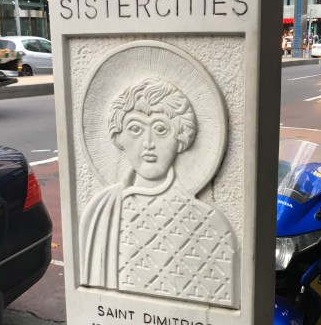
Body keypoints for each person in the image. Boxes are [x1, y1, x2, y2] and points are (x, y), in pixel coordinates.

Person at [79, 77, 238, 308]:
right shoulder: (100, 210)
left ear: (181, 138)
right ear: (119, 137)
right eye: (135, 129)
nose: (148, 143)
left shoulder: (210, 224)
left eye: (161, 129)